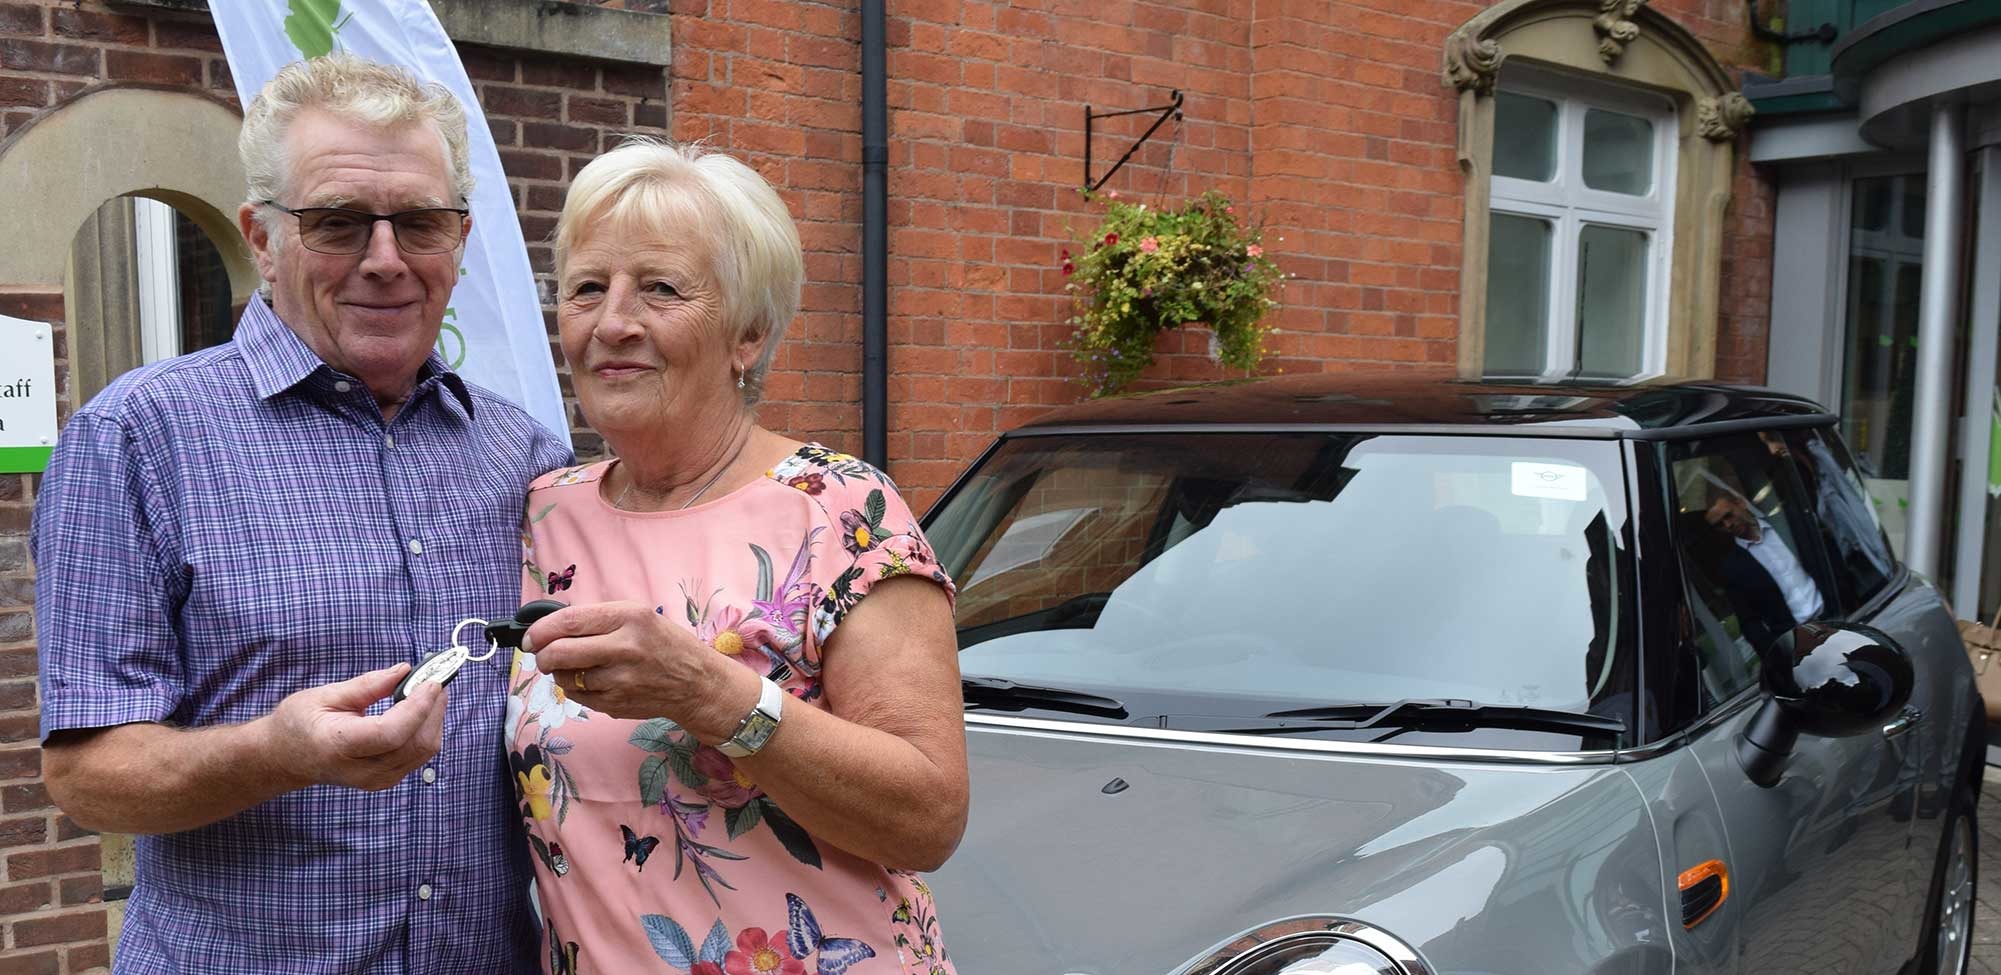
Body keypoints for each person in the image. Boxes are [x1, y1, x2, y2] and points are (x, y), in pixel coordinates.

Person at [32, 55, 571, 973]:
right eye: (338, 222)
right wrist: (276, 753)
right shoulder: (139, 437)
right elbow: (86, 776)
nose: (386, 259)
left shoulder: (522, 457)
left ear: (461, 238)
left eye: (421, 223)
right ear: (260, 237)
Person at [510, 140, 967, 975]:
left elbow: (927, 817)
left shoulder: (837, 508)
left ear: (747, 333)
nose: (613, 323)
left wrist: (712, 695)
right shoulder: (543, 513)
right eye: (587, 288)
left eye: (660, 288)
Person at [1703, 491, 1824, 651]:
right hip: (1800, 642)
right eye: (1719, 524)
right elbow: (1749, 623)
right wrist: (1781, 656)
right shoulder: (1733, 569)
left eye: (1728, 515)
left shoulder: (1785, 525)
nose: (1727, 525)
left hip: (1836, 615)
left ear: (1741, 504)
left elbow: (1824, 554)